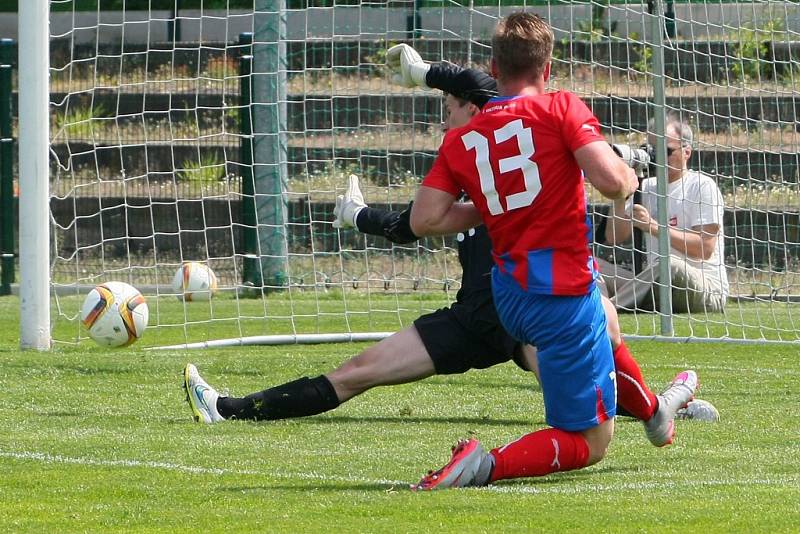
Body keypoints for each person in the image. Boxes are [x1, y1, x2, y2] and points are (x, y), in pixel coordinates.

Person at [183, 45, 716, 452]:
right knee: (355, 372)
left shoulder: (501, 127)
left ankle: (658, 412)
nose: (443, 118)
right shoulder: (466, 157)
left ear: (475, 105)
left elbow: (479, 83)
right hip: (475, 317)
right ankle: (228, 409)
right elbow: (418, 224)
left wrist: (424, 74)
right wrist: (362, 217)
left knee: (598, 357)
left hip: (523, 309)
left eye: (449, 107)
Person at [406, 12, 699, 491]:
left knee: (607, 320)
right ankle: (484, 465)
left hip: (510, 296)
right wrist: (630, 177)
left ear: (494, 69)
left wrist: (493, 205)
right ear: (547, 69)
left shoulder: (462, 137)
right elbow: (611, 183)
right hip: (559, 294)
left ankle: (655, 413)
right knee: (590, 442)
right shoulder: (561, 108)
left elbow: (426, 219)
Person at [600, 114, 728, 313]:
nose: (658, 157)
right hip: (655, 283)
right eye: (652, 150)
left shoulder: (702, 185)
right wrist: (620, 191)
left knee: (669, 264)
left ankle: (609, 310)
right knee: (591, 264)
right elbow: (613, 237)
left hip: (705, 289)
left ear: (687, 152)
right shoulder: (645, 186)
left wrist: (653, 227)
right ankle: (600, 305)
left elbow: (704, 248)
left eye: (665, 151)